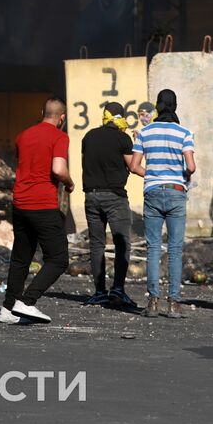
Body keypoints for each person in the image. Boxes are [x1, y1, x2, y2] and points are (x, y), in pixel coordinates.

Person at [0, 99, 73, 324]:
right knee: (58, 259)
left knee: (20, 258)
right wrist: (69, 183)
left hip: (20, 203)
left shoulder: (24, 135)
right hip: (43, 204)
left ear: (42, 113)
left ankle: (7, 309)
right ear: (62, 118)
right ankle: (28, 301)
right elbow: (58, 169)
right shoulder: (60, 136)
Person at [130, 90, 196, 318]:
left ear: (157, 107)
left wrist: (154, 174)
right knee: (176, 249)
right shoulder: (185, 133)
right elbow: (192, 166)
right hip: (177, 192)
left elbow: (134, 166)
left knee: (153, 248)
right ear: (175, 106)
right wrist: (180, 175)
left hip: (153, 192)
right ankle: (175, 304)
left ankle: (153, 302)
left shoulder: (145, 133)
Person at [81, 102, 138, 308]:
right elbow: (134, 166)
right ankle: (118, 290)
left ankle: (99, 292)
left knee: (97, 245)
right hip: (115, 197)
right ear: (121, 117)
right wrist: (138, 145)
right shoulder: (123, 138)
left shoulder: (89, 136)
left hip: (91, 196)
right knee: (122, 243)